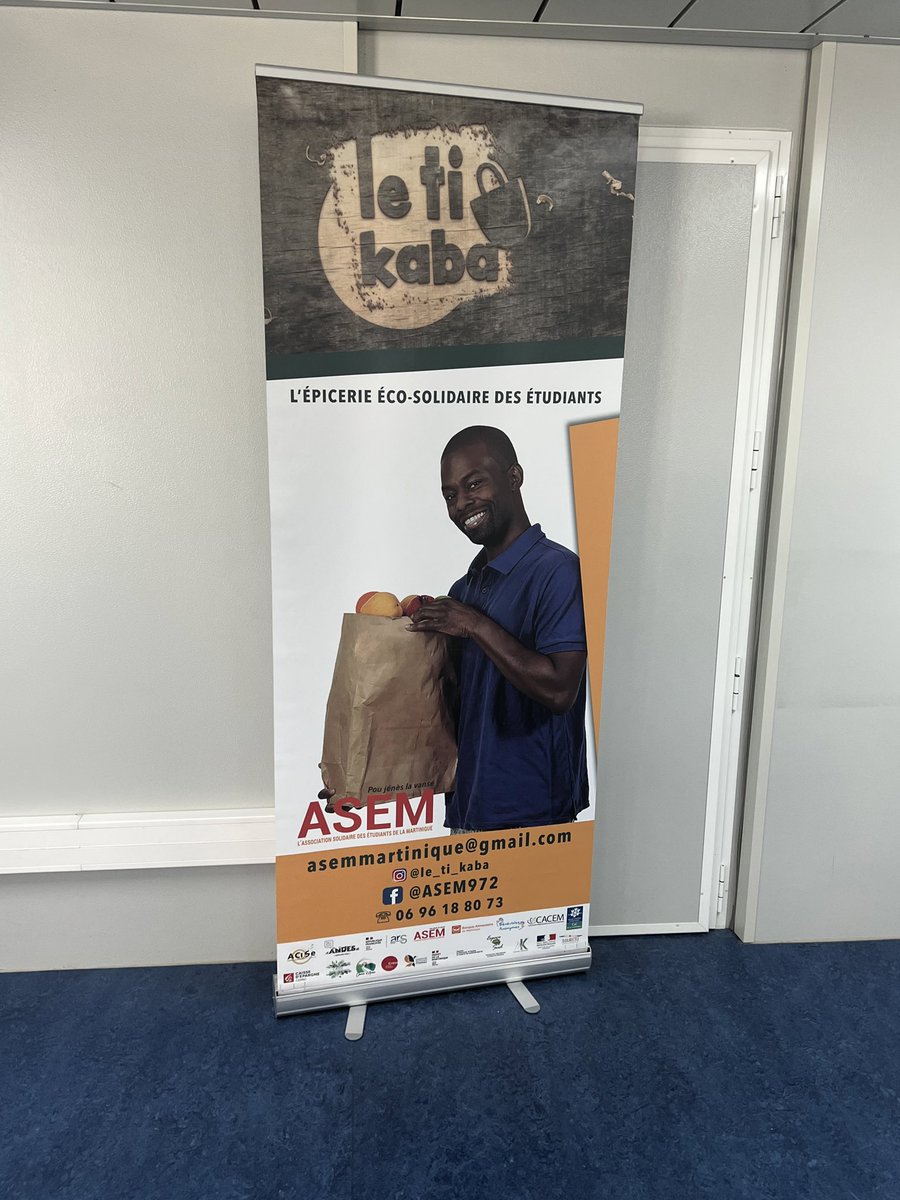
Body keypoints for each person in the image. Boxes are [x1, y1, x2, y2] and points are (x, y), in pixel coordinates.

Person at [408, 425, 589, 832]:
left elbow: (560, 690)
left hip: (536, 819)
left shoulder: (560, 571)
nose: (461, 504)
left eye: (474, 484)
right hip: (466, 814)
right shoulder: (464, 590)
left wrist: (472, 624)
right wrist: (367, 780)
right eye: (450, 495)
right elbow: (446, 712)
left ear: (514, 477)